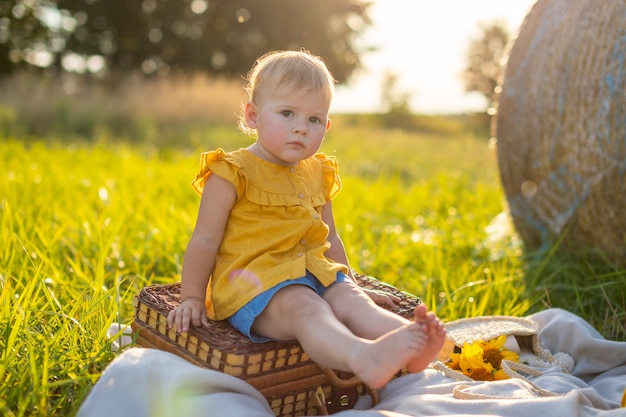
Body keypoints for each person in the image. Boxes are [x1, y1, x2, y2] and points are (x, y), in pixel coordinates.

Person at [167, 49, 446, 390]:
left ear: (326, 126)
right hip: (256, 284)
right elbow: (205, 240)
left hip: (315, 271)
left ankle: (412, 342)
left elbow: (330, 238)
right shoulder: (232, 172)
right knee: (307, 308)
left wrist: (351, 282)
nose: (301, 128)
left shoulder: (319, 172)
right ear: (253, 115)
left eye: (314, 120)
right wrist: (192, 298)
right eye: (287, 113)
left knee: (351, 301)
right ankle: (363, 356)